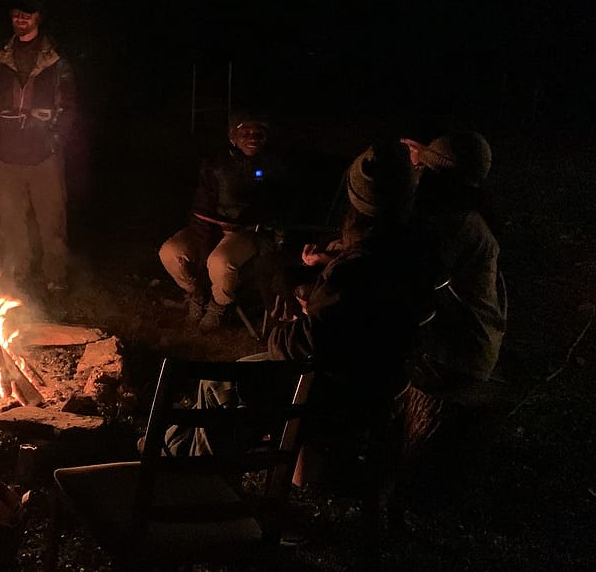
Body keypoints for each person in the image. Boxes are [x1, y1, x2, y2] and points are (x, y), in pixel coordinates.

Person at [164, 140, 435, 462]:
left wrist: (285, 326)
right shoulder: (411, 247)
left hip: (339, 387)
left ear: (359, 204)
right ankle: (175, 447)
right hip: (382, 375)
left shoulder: (358, 265)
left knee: (220, 383)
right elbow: (357, 316)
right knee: (236, 373)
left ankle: (197, 467)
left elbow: (306, 344)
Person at [158, 112, 289, 329]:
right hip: (209, 227)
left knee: (219, 263)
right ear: (232, 137)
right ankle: (197, 294)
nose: (252, 137)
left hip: (247, 232)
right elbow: (201, 205)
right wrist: (204, 239)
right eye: (245, 132)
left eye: (258, 133)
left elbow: (278, 208)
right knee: (170, 252)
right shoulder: (216, 164)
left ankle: (217, 304)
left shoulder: (275, 167)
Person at [0, 0, 78, 292]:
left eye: (27, 13)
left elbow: (68, 108)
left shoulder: (54, 61)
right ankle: (19, 272)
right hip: (8, 157)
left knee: (52, 221)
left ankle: (55, 277)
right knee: (11, 221)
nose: (21, 18)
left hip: (43, 157)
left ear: (38, 16)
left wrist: (52, 142)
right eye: (16, 13)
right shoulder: (1, 59)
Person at [402, 131, 506, 388]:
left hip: (457, 359)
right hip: (465, 349)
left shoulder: (455, 226)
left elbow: (411, 285)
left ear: (438, 177)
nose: (414, 173)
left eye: (418, 167)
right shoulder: (460, 215)